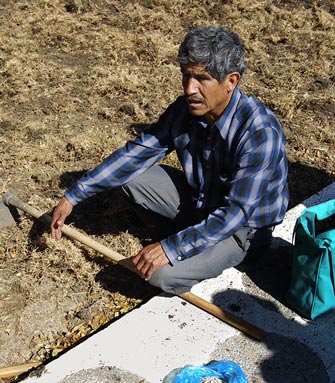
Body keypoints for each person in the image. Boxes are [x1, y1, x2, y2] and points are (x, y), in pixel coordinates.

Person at [51, 26, 289, 295]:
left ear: (231, 81)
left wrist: (170, 248)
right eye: (186, 76)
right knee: (132, 176)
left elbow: (235, 214)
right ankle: (189, 241)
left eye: (201, 79)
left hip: (241, 231)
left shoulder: (259, 134)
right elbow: (138, 152)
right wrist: (74, 195)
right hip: (202, 203)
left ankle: (196, 251)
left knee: (160, 275)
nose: (190, 89)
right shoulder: (185, 110)